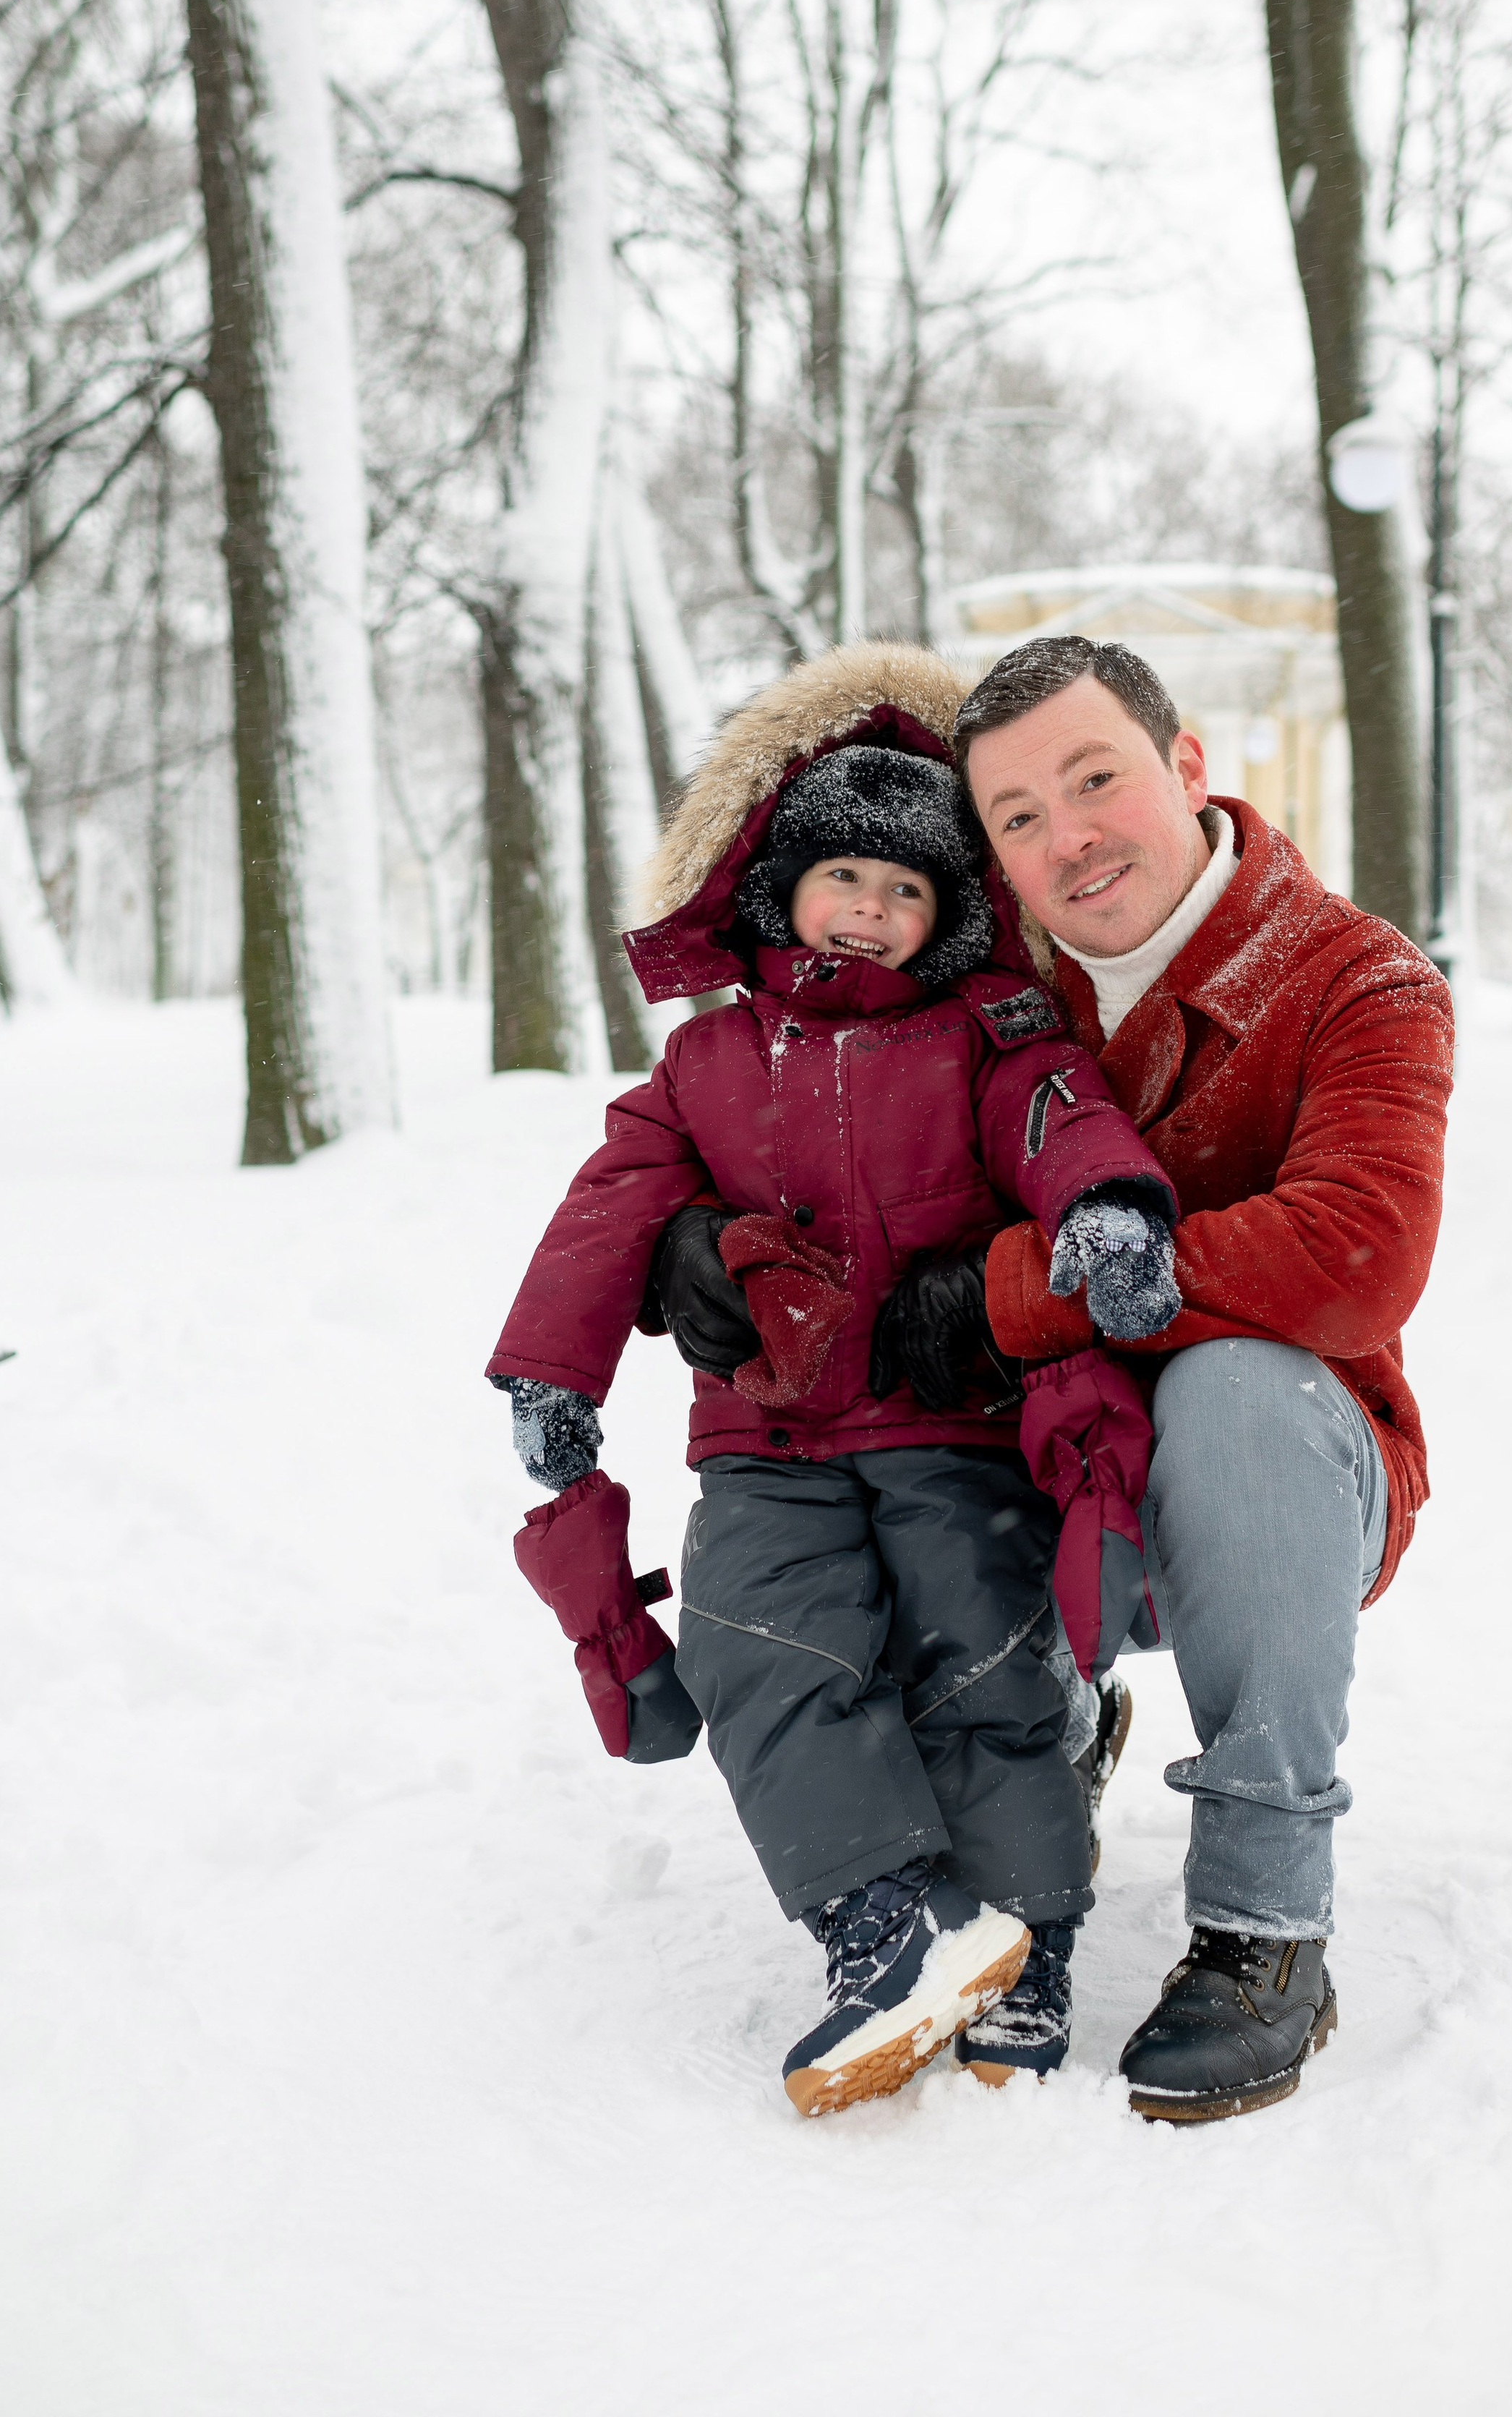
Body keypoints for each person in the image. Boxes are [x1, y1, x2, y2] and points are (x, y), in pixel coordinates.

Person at [486, 644, 1179, 2116]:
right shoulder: (706, 1059)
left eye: (908, 888)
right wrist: (554, 1371)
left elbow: (1062, 1119)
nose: (870, 905)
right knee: (757, 1650)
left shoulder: (992, 1037)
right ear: (777, 890)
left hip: (949, 1426)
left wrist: (1103, 1208)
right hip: (766, 1440)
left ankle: (1024, 1931)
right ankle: (880, 1919)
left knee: (973, 1652)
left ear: (948, 917)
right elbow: (610, 1205)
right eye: (844, 876)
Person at [951, 634, 1453, 2126]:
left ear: (1183, 764)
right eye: (1016, 816)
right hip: (1050, 1476)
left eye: (1094, 778)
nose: (1067, 837)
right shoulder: (977, 988)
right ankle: (1032, 1737)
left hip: (1281, 1482)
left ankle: (1262, 1928)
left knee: (1233, 1381)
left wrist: (1007, 1293)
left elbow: (1351, 1255)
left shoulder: (1355, 977)